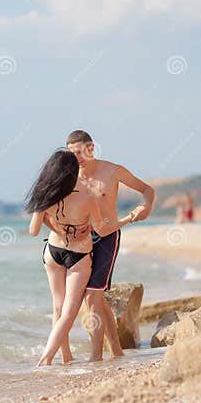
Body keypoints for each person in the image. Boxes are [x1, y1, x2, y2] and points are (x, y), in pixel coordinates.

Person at [26, 149, 135, 366]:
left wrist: (58, 228)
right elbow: (102, 231)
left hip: (53, 252)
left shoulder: (45, 196)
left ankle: (65, 358)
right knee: (69, 313)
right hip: (78, 255)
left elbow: (33, 230)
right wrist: (128, 219)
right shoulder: (87, 199)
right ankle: (46, 359)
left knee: (58, 308)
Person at [66, 130, 155, 361]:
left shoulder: (112, 171)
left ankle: (95, 358)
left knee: (92, 296)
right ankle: (116, 350)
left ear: (91, 148)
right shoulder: (70, 176)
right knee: (97, 296)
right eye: (71, 153)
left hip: (108, 237)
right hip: (82, 240)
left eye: (79, 152)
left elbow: (148, 190)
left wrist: (145, 208)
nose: (75, 158)